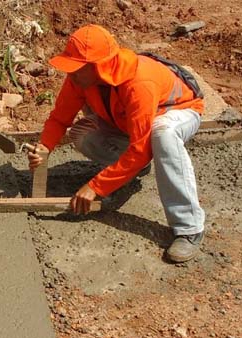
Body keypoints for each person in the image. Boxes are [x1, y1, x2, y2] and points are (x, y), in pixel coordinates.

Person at [28, 24, 206, 263]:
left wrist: (96, 187)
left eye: (77, 68)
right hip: (126, 121)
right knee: (83, 133)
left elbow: (141, 149)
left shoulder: (138, 83)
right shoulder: (81, 79)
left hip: (177, 113)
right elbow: (60, 117)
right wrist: (44, 147)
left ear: (98, 66)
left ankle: (189, 227)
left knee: (161, 134)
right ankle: (130, 170)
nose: (70, 74)